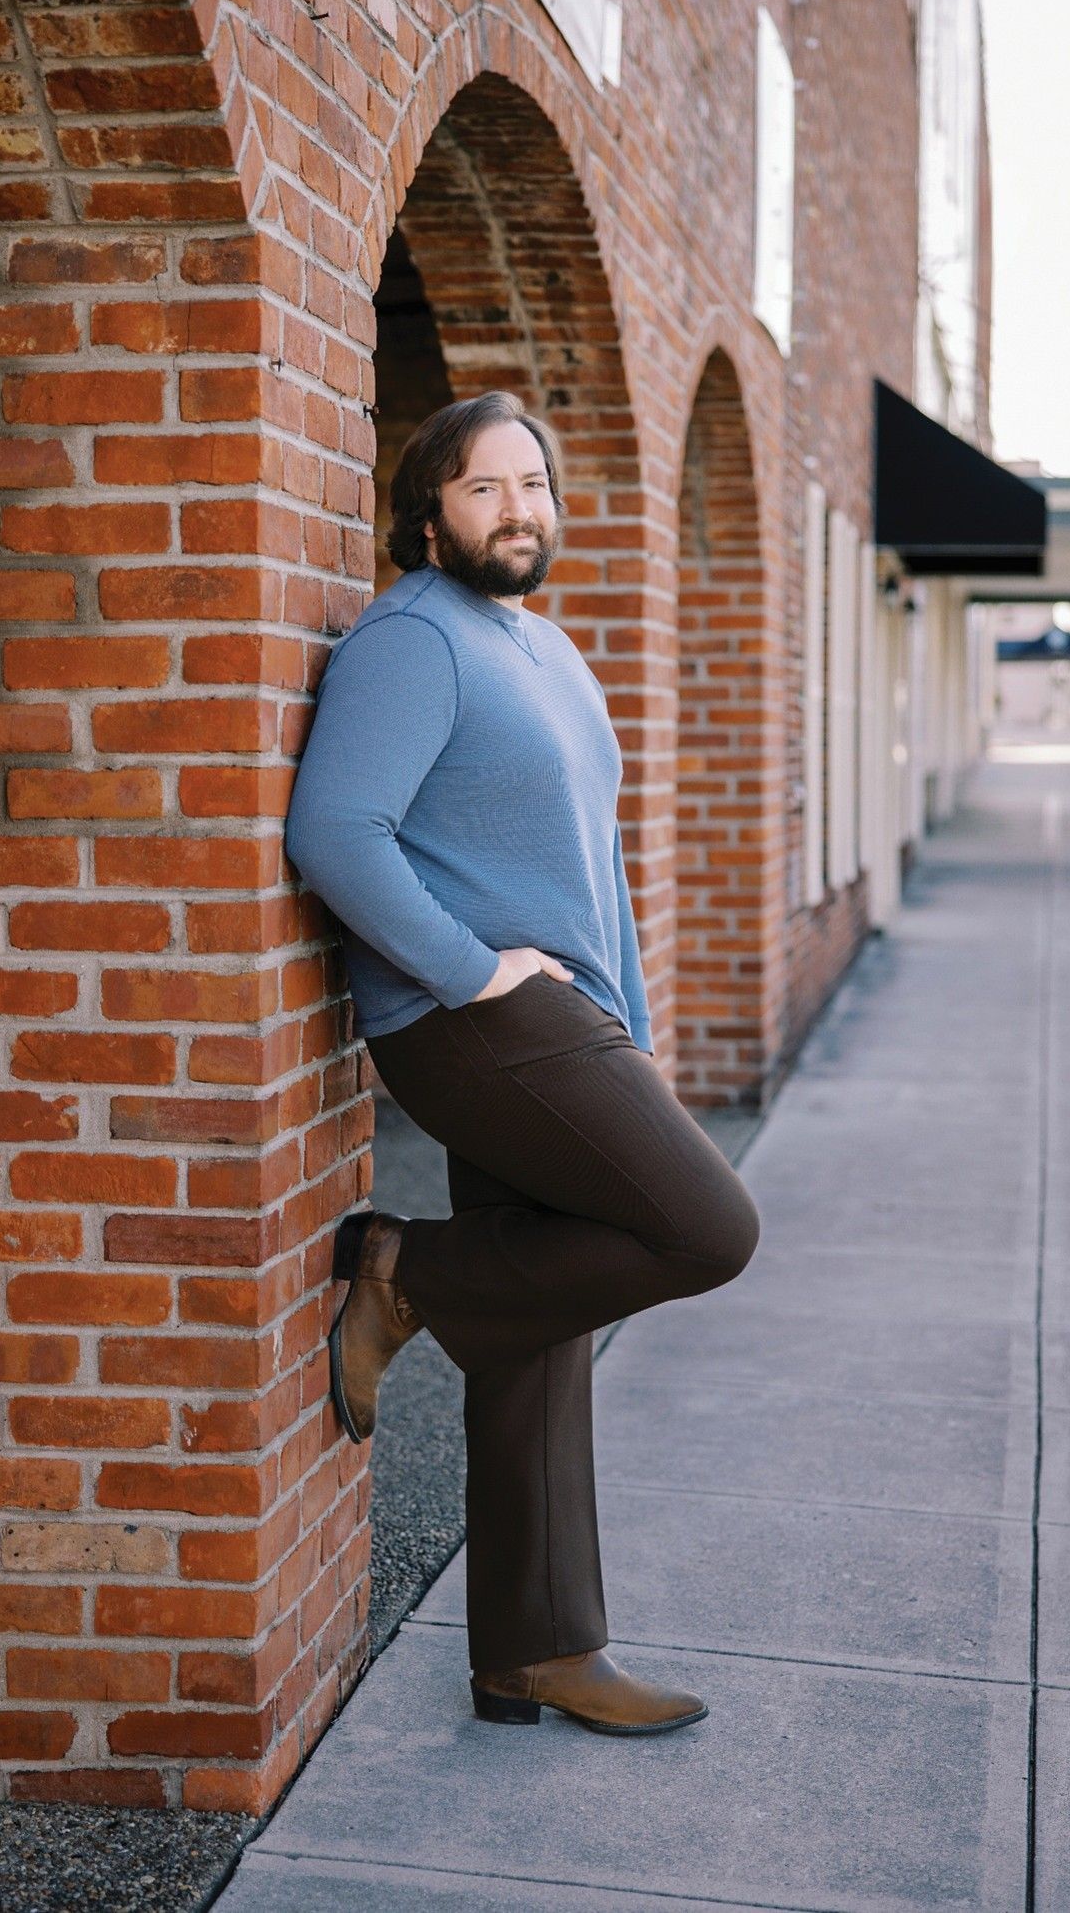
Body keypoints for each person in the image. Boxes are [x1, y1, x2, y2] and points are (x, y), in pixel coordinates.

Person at [284, 390, 760, 1734]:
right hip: (473, 1027)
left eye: (536, 486)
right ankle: (405, 1272)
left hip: (565, 1026)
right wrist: (470, 967)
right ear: (430, 509)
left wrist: (638, 1040)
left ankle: (534, 1653)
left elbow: (596, 872)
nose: (520, 510)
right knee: (707, 1226)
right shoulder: (413, 641)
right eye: (487, 487)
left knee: (541, 1315)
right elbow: (337, 830)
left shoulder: (545, 648)